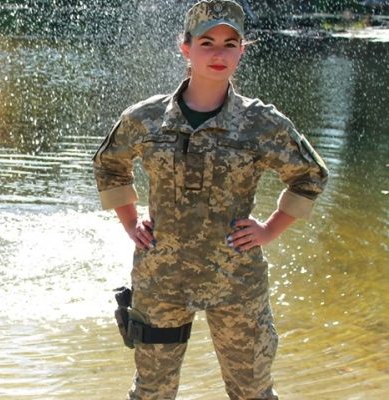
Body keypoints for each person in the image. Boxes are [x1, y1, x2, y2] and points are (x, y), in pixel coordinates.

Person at [93, 1, 328, 399]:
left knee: (251, 391)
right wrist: (130, 221)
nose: (218, 54)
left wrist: (269, 229)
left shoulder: (261, 123)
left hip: (235, 281)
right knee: (152, 391)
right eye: (207, 42)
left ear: (242, 50)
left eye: (229, 43)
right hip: (162, 278)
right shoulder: (146, 119)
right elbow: (109, 164)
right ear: (185, 49)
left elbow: (311, 176)